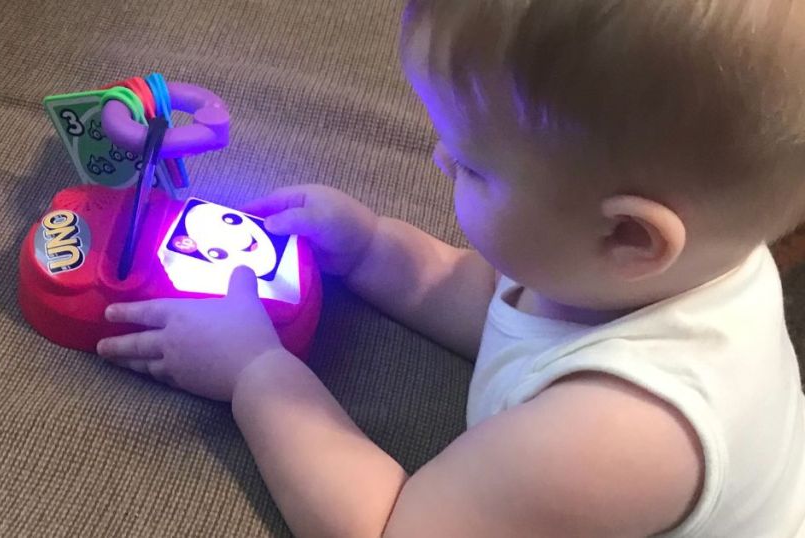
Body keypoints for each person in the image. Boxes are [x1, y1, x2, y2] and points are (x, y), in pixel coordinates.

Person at [97, 1, 805, 535]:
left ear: (627, 235)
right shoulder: (654, 267)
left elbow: (385, 526)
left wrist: (254, 370)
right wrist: (373, 248)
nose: (438, 160)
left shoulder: (618, 435)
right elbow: (497, 303)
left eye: (472, 164)